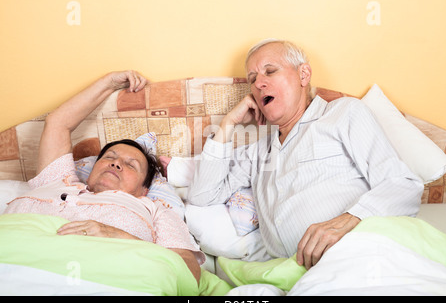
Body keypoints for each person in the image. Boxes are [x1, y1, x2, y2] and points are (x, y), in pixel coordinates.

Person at [187, 39, 424, 270]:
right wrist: (229, 122)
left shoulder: (344, 114)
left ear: (303, 75)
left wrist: (349, 220)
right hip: (296, 276)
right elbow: (202, 195)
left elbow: (403, 185)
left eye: (270, 71)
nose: (259, 83)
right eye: (252, 79)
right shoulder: (258, 152)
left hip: (362, 257)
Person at [5, 71, 204, 283]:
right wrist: (109, 82)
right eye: (110, 156)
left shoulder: (153, 210)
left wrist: (119, 236)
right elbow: (57, 122)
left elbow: (188, 272)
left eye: (130, 165)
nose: (116, 163)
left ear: (143, 190)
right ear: (93, 168)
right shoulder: (56, 179)